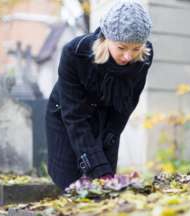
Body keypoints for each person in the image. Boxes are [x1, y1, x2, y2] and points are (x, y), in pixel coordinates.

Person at [45, 0, 153, 190]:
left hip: (107, 117)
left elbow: (125, 107)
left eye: (135, 48)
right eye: (121, 47)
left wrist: (103, 166)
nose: (128, 56)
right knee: (71, 183)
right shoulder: (74, 53)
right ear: (106, 38)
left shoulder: (143, 57)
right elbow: (74, 117)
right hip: (67, 115)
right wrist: (96, 165)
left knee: (105, 184)